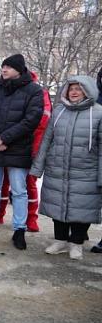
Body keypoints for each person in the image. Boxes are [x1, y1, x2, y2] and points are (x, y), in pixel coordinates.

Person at [0, 54, 44, 250]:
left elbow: (31, 120)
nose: (4, 69)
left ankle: (19, 229)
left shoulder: (34, 91)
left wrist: (3, 139)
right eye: (3, 66)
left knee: (19, 191)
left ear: (19, 70)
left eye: (8, 67)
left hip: (17, 148)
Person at [30, 76, 102, 260]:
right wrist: (37, 168)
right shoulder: (59, 111)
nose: (75, 92)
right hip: (58, 168)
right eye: (71, 89)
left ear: (88, 91)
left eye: (79, 89)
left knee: (81, 208)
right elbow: (47, 140)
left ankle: (76, 243)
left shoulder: (99, 113)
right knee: (57, 205)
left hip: (86, 171)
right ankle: (60, 240)